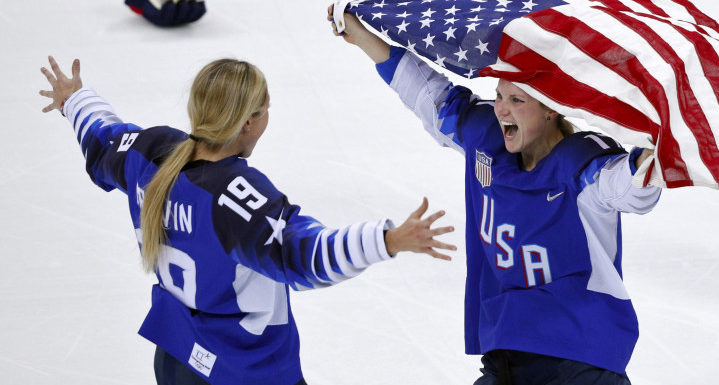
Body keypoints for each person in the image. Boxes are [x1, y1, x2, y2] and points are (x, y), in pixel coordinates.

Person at [38, 56, 457, 385]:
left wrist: (74, 99)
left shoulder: (150, 151)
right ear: (249, 122)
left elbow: (103, 137)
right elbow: (302, 257)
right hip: (243, 368)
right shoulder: (234, 195)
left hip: (175, 357)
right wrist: (386, 240)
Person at [328, 7, 661, 385]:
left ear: (551, 108)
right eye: (500, 96)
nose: (502, 109)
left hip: (578, 358)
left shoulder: (582, 166)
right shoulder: (486, 142)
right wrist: (362, 36)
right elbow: (428, 94)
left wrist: (661, 150)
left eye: (518, 101)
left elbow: (632, 190)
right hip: (506, 353)